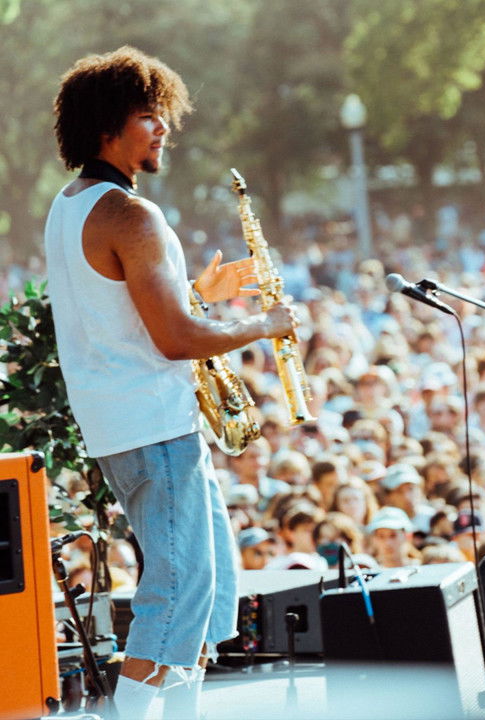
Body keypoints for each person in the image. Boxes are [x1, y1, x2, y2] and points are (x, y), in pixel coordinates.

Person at [44, 46, 297, 718]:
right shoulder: (133, 215)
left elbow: (122, 316)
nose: (165, 130)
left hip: (131, 425)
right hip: (154, 428)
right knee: (179, 590)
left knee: (207, 593)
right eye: (150, 117)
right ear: (108, 126)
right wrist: (264, 326)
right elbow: (174, 338)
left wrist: (194, 292)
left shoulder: (70, 207)